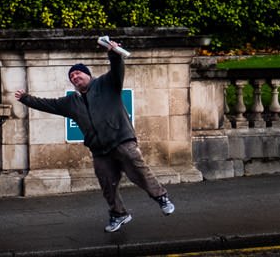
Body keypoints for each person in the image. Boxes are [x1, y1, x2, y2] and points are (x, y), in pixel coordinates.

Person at [14, 36, 175, 233]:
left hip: (121, 140)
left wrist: (114, 54)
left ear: (88, 75)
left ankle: (161, 197)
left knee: (138, 170)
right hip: (99, 150)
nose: (75, 77)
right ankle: (119, 214)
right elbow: (47, 104)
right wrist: (25, 98)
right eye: (72, 76)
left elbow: (117, 70)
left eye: (79, 73)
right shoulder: (71, 103)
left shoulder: (107, 84)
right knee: (107, 184)